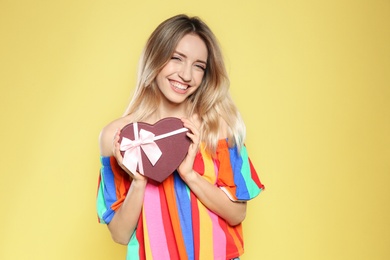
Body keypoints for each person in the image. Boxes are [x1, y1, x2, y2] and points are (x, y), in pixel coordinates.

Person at [96, 14, 264, 260]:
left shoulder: (218, 127)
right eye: (176, 58)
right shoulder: (121, 137)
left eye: (199, 66)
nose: (186, 75)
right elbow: (120, 234)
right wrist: (139, 180)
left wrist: (190, 175)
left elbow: (237, 214)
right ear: (156, 58)